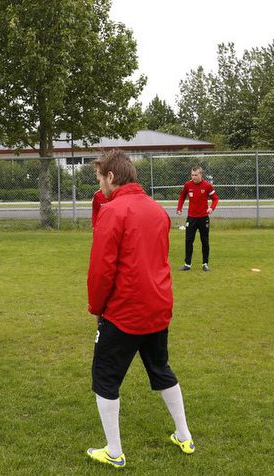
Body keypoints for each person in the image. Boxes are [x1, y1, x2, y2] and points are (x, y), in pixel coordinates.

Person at [86, 150, 194, 469]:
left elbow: (101, 270)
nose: (100, 186)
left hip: (124, 311)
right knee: (161, 369)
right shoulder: (157, 210)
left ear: (111, 177)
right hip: (157, 308)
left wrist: (96, 308)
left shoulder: (112, 210)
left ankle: (114, 451)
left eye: (100, 179)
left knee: (105, 378)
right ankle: (184, 434)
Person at [176, 166, 218, 271]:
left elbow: (215, 199)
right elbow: (182, 196)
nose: (193, 177)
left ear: (201, 175)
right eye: (192, 175)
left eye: (196, 175)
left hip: (203, 218)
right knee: (188, 241)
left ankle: (205, 264)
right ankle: (187, 264)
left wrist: (211, 208)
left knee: (205, 241)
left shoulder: (207, 186)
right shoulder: (187, 185)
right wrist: (179, 208)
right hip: (191, 218)